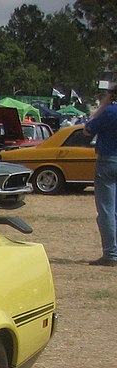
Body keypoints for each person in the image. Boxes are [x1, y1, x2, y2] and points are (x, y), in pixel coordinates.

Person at [84, 85, 117, 266]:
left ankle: (111, 253)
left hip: (109, 160)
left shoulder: (110, 111)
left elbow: (88, 129)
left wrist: (104, 105)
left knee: (106, 210)